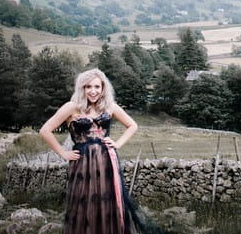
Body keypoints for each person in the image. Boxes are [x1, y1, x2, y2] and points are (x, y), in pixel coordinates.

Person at [40, 68, 162, 234]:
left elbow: (132, 125)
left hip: (107, 161)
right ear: (81, 88)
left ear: (103, 88)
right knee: (85, 203)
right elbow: (45, 130)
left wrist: (117, 144)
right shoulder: (72, 107)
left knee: (109, 202)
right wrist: (63, 153)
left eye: (97, 87)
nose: (93, 91)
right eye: (88, 86)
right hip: (82, 164)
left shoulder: (109, 106)